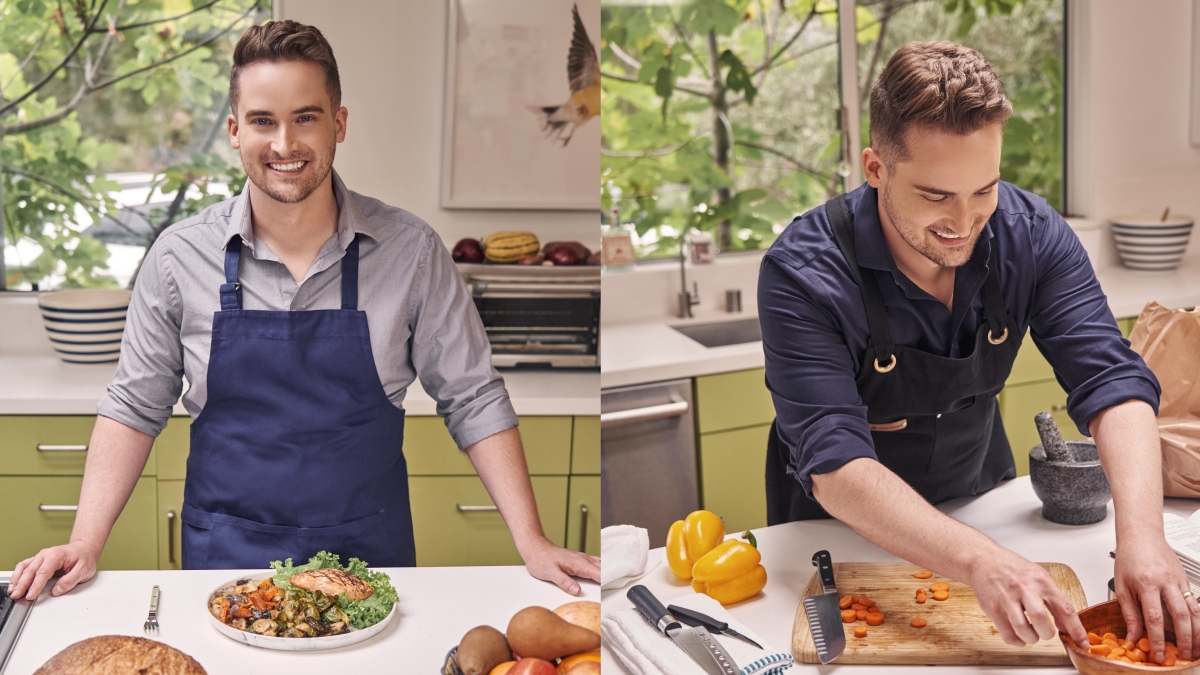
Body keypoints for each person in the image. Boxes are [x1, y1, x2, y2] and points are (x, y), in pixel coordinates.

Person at [7, 20, 598, 601]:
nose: (284, 144)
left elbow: (473, 395)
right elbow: (134, 405)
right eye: (263, 121)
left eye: (305, 118)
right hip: (226, 567)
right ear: (235, 130)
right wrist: (84, 542)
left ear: (338, 123)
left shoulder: (411, 251)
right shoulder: (178, 257)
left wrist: (534, 541)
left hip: (369, 565)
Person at [759, 41, 1199, 663]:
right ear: (876, 168)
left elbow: (1112, 379)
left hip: (980, 498)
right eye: (936, 196)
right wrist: (980, 560)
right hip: (837, 533)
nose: (964, 223)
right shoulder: (802, 272)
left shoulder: (1032, 235)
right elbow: (832, 458)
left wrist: (1144, 536)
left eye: (984, 190)